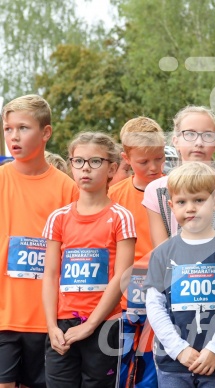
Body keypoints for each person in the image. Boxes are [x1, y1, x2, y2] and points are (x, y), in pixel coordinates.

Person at [144, 162, 215, 387]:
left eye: (199, 200)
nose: (191, 208)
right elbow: (155, 305)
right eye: (182, 202)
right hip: (174, 362)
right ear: (171, 206)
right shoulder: (162, 253)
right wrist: (179, 349)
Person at [42, 131, 136, 387]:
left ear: (111, 169)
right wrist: (51, 326)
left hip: (104, 324)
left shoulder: (120, 217)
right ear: (70, 164)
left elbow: (122, 276)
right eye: (78, 161)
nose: (86, 168)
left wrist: (91, 324)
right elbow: (50, 274)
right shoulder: (58, 218)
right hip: (62, 326)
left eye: (95, 161)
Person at [0, 94, 78, 388]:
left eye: (23, 128)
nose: (13, 136)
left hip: (49, 320)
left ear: (46, 133)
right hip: (4, 314)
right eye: (8, 129)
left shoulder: (67, 189)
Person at [109, 117, 166, 388]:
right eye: (144, 162)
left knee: (151, 372)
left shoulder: (177, 188)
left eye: (159, 158)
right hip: (122, 299)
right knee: (119, 370)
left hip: (163, 295)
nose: (154, 167)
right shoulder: (113, 194)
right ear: (126, 158)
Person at [143, 106, 215, 247]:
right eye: (190, 134)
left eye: (208, 135)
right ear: (176, 141)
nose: (199, 143)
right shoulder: (155, 189)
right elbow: (161, 249)